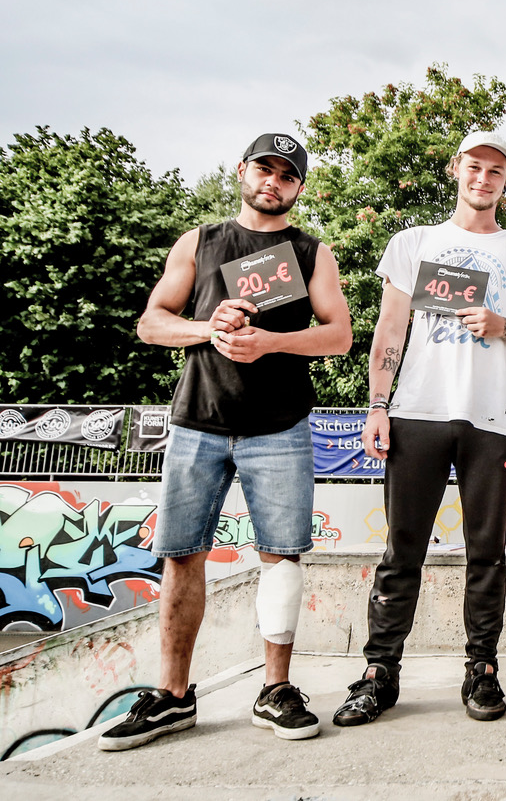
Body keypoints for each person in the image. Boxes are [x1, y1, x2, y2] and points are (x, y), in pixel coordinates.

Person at [101, 134, 353, 750]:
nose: (274, 181)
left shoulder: (312, 253)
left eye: (287, 175)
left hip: (281, 425)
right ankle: (173, 696)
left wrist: (270, 342)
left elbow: (339, 335)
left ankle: (275, 689)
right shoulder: (200, 241)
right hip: (199, 421)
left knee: (281, 557)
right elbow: (151, 323)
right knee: (181, 555)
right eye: (265, 168)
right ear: (242, 170)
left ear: (299, 187)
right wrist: (205, 329)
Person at [332, 131, 506, 725]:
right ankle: (380, 672)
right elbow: (390, 329)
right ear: (456, 169)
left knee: (488, 553)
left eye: (496, 171)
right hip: (416, 413)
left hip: (493, 420)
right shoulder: (414, 242)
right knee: (402, 550)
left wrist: (503, 326)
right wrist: (377, 405)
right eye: (474, 166)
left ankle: (482, 668)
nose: (483, 178)